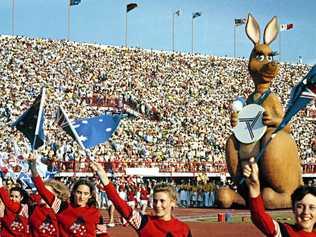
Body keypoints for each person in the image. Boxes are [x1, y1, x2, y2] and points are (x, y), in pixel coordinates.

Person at [91, 161, 192, 237]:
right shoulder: (144, 222)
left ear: (173, 202)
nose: (157, 205)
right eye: (155, 201)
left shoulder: (184, 229)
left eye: (162, 201)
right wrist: (103, 177)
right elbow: (120, 204)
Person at [28, 154, 109, 237]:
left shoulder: (96, 213)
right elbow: (42, 190)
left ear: (90, 195)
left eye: (85, 194)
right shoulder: (63, 207)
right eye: (79, 192)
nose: (81, 197)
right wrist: (33, 168)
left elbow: (103, 235)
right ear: (73, 192)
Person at [243, 157, 316, 236]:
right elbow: (259, 216)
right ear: (293, 209)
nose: (306, 212)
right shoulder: (284, 231)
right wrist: (254, 186)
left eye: (312, 207)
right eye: (300, 206)